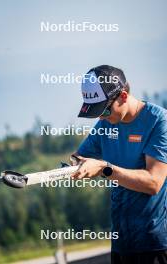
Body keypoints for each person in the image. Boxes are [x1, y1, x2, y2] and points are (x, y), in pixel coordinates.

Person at [71, 65, 167, 264]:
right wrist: (67, 169)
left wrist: (105, 169)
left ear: (123, 96)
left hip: (157, 245)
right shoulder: (106, 123)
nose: (100, 117)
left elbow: (153, 183)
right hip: (121, 244)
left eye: (104, 109)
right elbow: (78, 158)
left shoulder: (159, 122)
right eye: (96, 111)